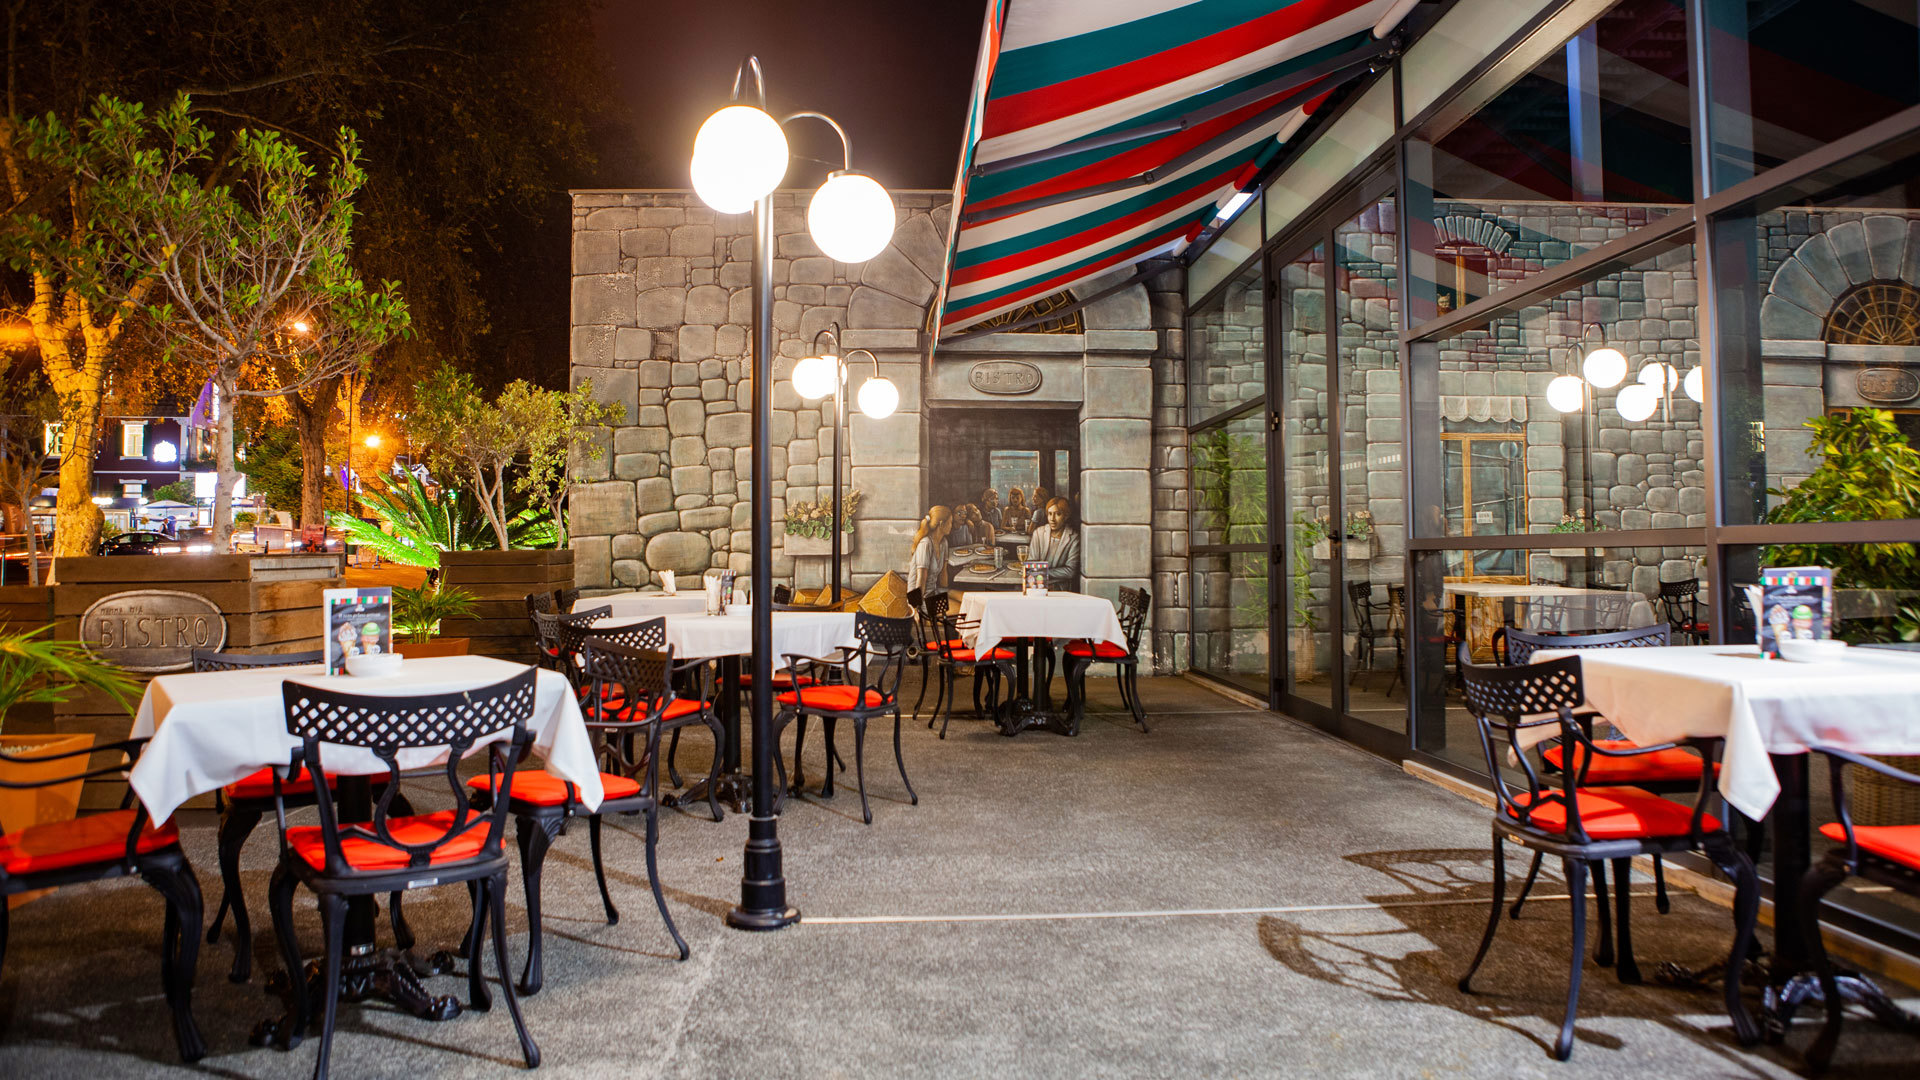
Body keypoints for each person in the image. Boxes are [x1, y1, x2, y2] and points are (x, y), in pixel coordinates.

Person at [1027, 497, 1080, 589]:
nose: (1052, 519)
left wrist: (1042, 572)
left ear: (1066, 516)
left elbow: (1070, 571)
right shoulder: (1038, 533)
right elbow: (1032, 563)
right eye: (1050, 514)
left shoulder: (1073, 538)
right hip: (1037, 585)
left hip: (1060, 588)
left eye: (1058, 514)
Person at [905, 505, 954, 597]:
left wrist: (945, 594)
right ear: (941, 524)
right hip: (919, 597)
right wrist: (917, 607)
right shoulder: (926, 544)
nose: (951, 526)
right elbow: (921, 579)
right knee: (963, 607)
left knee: (965, 598)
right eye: (950, 522)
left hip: (933, 592)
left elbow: (943, 573)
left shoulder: (944, 543)